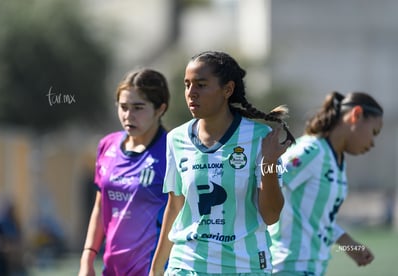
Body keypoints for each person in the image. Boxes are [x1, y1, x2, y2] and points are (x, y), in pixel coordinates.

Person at [149, 50, 296, 276]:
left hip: (245, 267)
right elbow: (175, 206)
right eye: (187, 85)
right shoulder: (176, 139)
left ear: (227, 89)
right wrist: (157, 269)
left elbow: (271, 215)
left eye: (201, 85)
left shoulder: (260, 138)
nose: (191, 93)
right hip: (186, 266)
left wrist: (269, 163)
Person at [269, 91, 383, 276]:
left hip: (313, 269)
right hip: (288, 267)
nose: (372, 143)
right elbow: (263, 182)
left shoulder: (336, 159)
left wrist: (347, 242)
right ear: (356, 115)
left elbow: (315, 217)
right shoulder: (311, 151)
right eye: (374, 132)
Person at [78, 68, 170, 276]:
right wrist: (87, 259)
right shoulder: (107, 145)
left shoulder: (173, 150)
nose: (129, 116)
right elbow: (100, 207)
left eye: (138, 108)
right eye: (123, 107)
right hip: (112, 269)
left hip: (154, 270)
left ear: (160, 109)